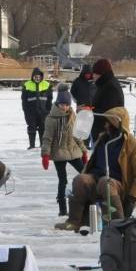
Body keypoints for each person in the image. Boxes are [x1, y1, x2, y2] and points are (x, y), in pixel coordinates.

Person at [55, 106, 136, 232]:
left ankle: (118, 224)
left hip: (117, 185)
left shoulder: (134, 146)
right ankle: (74, 222)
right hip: (97, 178)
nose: (105, 126)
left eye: (108, 123)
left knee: (106, 183)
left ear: (117, 124)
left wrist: (132, 199)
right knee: (80, 180)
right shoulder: (103, 139)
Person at [41, 83, 88, 217]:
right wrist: (45, 155)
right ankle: (62, 208)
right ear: (57, 103)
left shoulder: (72, 116)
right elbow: (47, 138)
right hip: (59, 153)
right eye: (62, 104)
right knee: (63, 180)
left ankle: (88, 202)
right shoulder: (51, 119)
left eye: (67, 104)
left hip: (73, 151)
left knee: (86, 174)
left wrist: (84, 151)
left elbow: (77, 136)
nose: (65, 107)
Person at [90, 58, 125, 142]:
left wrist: (91, 111)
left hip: (107, 133)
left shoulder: (111, 87)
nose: (93, 75)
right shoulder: (104, 84)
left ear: (101, 73)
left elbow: (110, 112)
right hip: (100, 130)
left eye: (95, 73)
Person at [21, 67, 52, 149]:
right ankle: (32, 146)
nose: (37, 78)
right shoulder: (27, 85)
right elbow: (24, 100)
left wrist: (48, 110)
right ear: (32, 76)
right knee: (31, 127)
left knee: (43, 128)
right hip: (31, 112)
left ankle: (42, 145)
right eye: (35, 76)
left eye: (39, 76)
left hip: (43, 112)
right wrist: (25, 111)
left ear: (41, 76)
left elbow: (49, 99)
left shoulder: (47, 85)